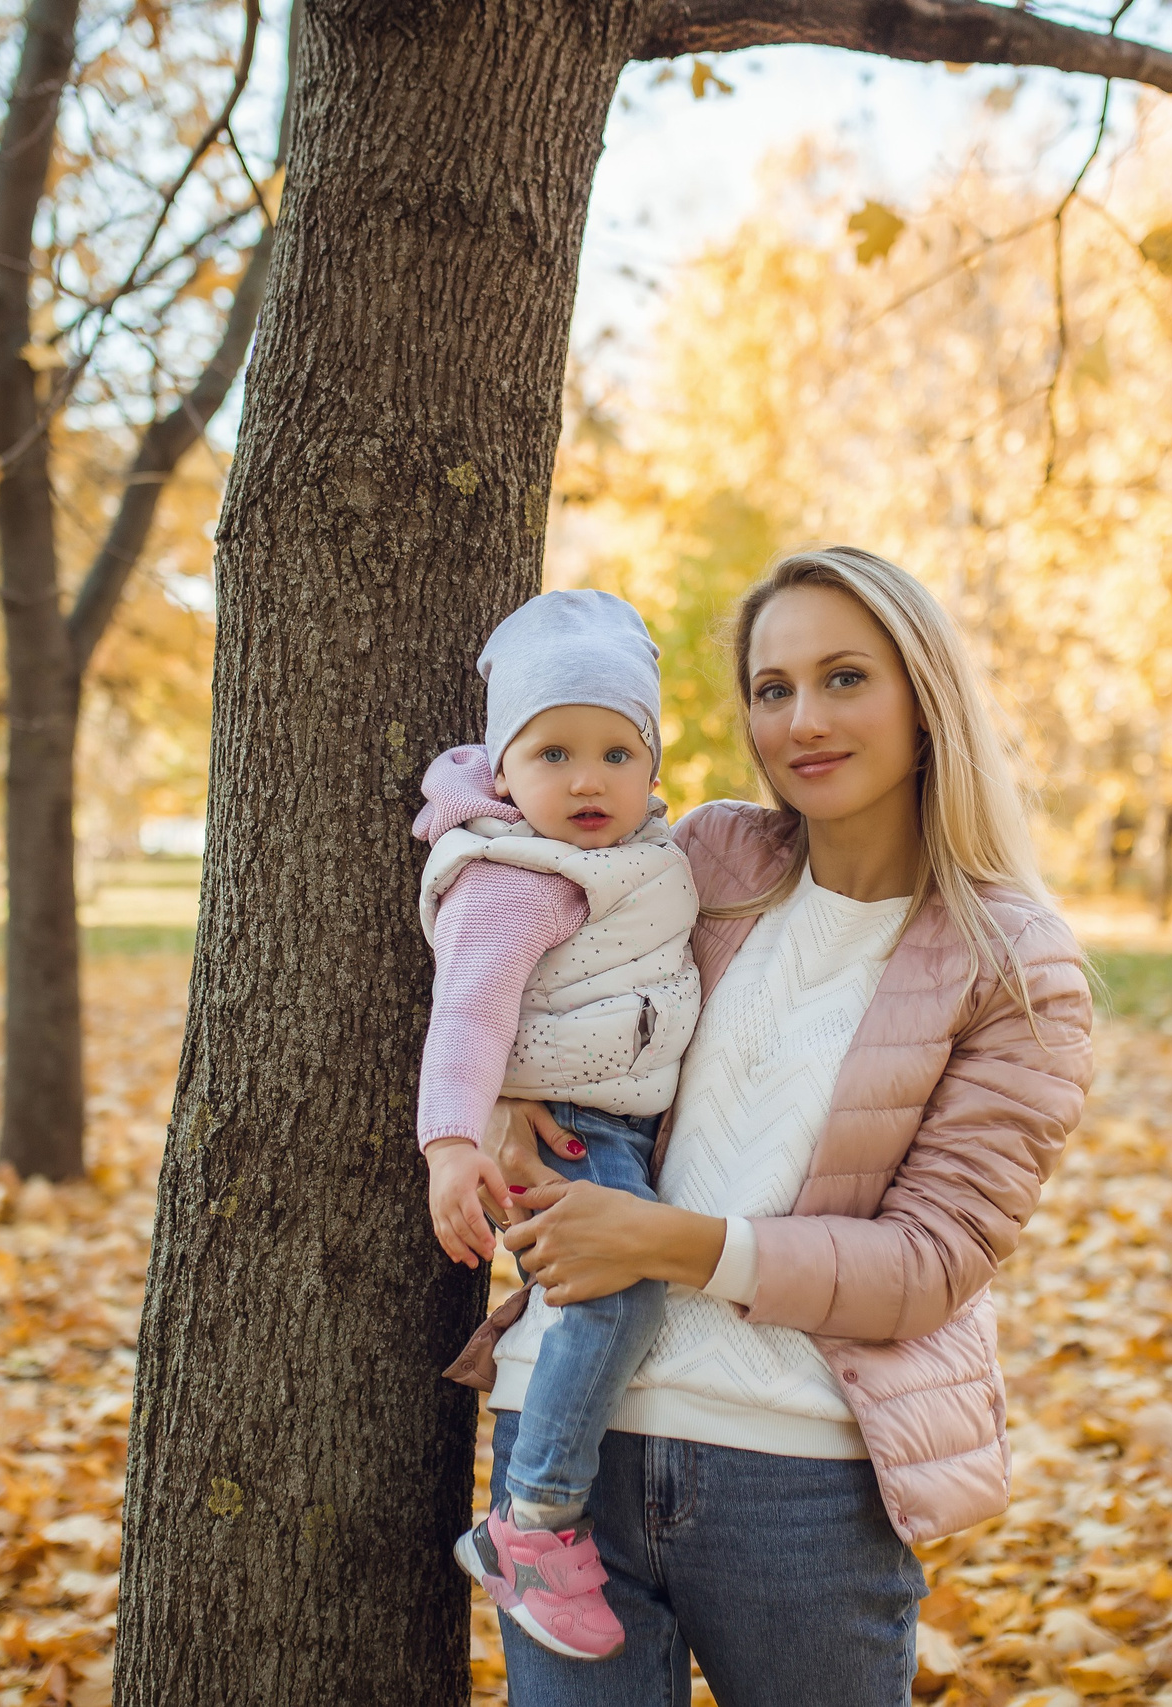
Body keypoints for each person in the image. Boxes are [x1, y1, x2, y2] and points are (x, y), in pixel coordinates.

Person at [436, 546, 1094, 1705]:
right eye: (772, 688)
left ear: (924, 697)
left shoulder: (1017, 965)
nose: (803, 721)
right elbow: (515, 937)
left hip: (798, 1482)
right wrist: (498, 1098)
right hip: (557, 1457)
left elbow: (932, 1263)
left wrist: (664, 1244)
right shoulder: (703, 859)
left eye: (845, 678)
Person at [412, 589, 705, 1661]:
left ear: (652, 769)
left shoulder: (635, 855)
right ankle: (530, 1520)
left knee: (608, 1299)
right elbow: (472, 1010)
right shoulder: (519, 878)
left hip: (610, 1122)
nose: (588, 781)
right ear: (504, 772)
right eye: (552, 754)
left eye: (617, 754)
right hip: (567, 1128)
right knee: (615, 1295)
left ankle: (534, 1511)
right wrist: (452, 1139)